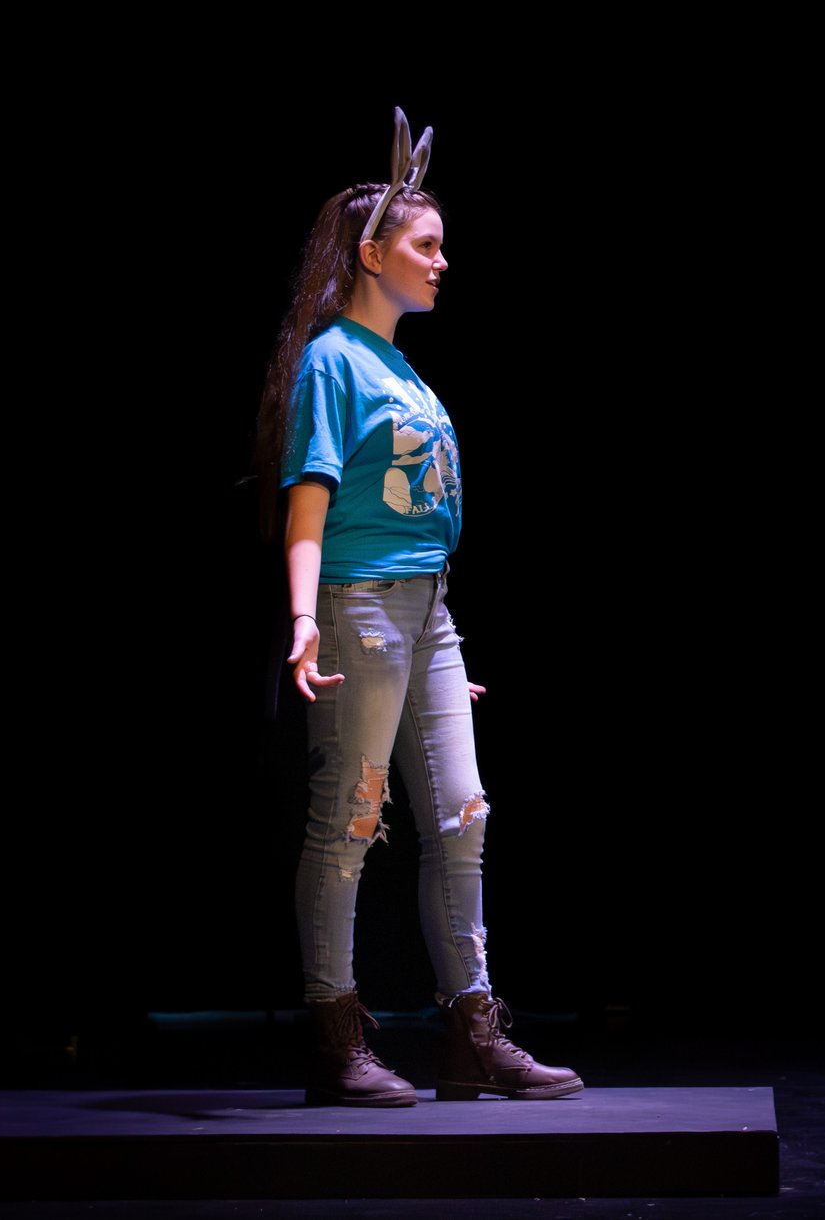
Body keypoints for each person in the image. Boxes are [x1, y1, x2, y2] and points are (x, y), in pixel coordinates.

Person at [252, 110, 579, 1107]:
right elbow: (308, 501)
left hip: (426, 617)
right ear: (372, 252)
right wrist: (305, 619)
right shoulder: (333, 360)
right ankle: (335, 1038)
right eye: (425, 245)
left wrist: (433, 654)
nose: (443, 261)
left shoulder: (404, 370)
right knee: (349, 820)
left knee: (462, 816)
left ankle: (472, 1033)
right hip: (358, 606)